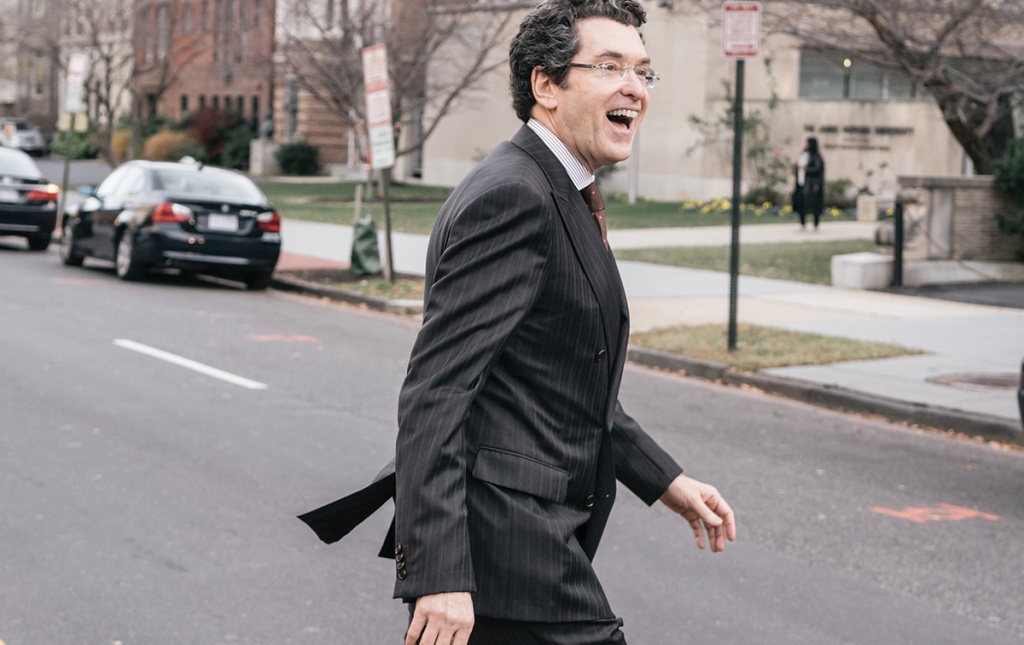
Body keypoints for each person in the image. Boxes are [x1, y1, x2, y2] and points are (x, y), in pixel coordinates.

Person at [299, 2, 736, 643]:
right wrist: (440, 574)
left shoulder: (560, 186)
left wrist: (663, 479)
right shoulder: (516, 196)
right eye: (609, 66)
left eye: (643, 71)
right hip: (503, 548)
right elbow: (437, 391)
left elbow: (558, 368)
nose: (634, 88)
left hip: (527, 542)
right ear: (545, 85)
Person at [795, 136, 825, 230]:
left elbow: (817, 169)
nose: (805, 145)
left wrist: (805, 169)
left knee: (814, 205)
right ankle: (802, 223)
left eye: (807, 143)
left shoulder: (816, 156)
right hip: (801, 183)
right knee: (801, 204)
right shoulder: (804, 155)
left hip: (812, 186)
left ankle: (816, 224)